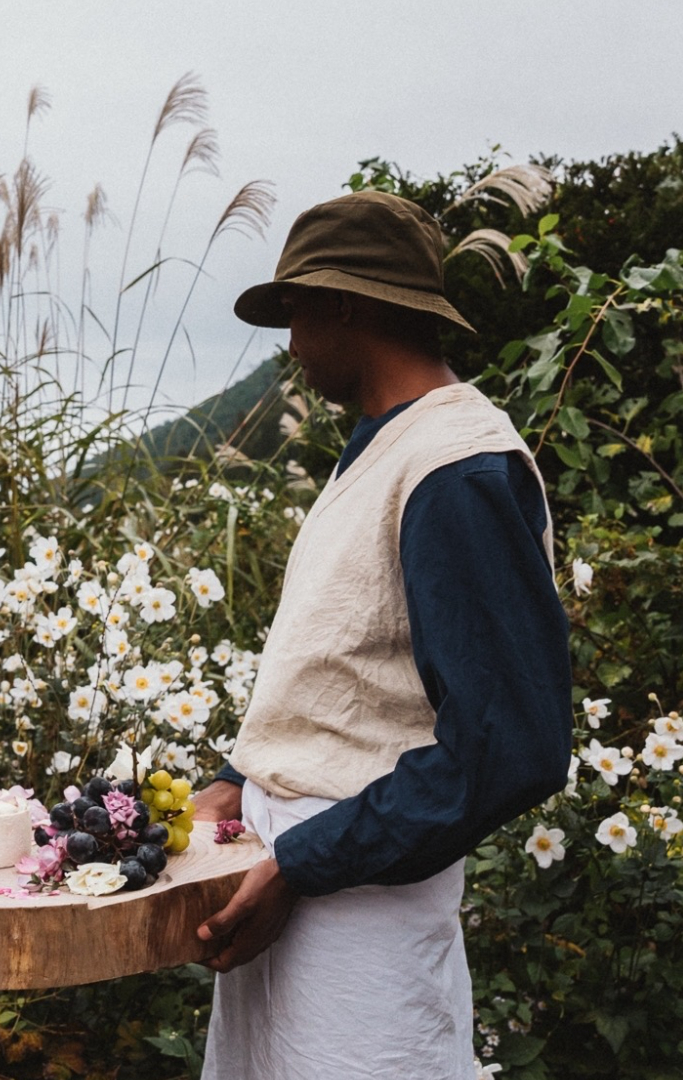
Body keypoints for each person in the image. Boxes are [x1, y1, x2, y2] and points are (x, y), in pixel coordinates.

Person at [192, 190, 573, 1078]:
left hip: (358, 905)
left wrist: (304, 863)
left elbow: (509, 744)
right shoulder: (383, 448)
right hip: (294, 874)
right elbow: (346, 674)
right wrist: (232, 784)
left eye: (296, 311)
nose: (289, 343)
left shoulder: (457, 470)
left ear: (344, 303)